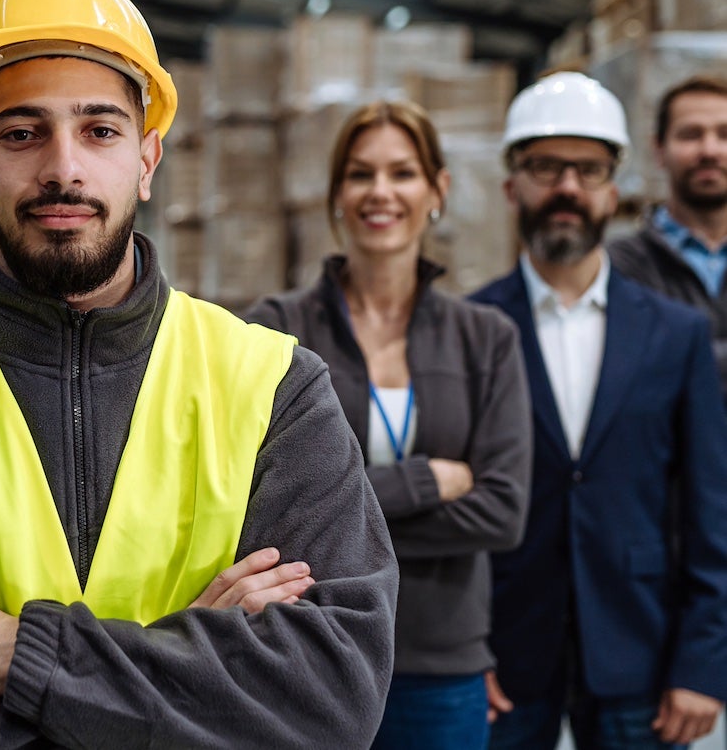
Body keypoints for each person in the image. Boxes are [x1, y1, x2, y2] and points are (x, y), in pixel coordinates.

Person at [0, 0, 397, 750]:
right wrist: (189, 658)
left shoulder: (273, 387)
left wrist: (28, 658)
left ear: (145, 160)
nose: (63, 167)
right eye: (22, 132)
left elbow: (330, 699)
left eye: (99, 129)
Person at [244, 100, 532, 750]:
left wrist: (334, 518)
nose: (381, 192)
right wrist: (424, 483)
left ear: (437, 191)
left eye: (402, 173)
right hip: (307, 654)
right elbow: (262, 507)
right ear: (337, 194)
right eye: (360, 174)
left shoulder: (485, 339)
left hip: (441, 665)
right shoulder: (278, 329)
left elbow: (504, 513)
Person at [470, 72, 727, 750]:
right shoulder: (468, 327)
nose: (567, 188)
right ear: (511, 187)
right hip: (503, 654)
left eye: (587, 169)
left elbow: (710, 512)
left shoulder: (676, 334)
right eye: (545, 167)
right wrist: (461, 647)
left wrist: (704, 662)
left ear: (614, 189)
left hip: (642, 647)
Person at [609, 75, 727, 403]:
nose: (709, 150)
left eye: (724, 134)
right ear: (659, 150)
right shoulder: (619, 267)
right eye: (691, 135)